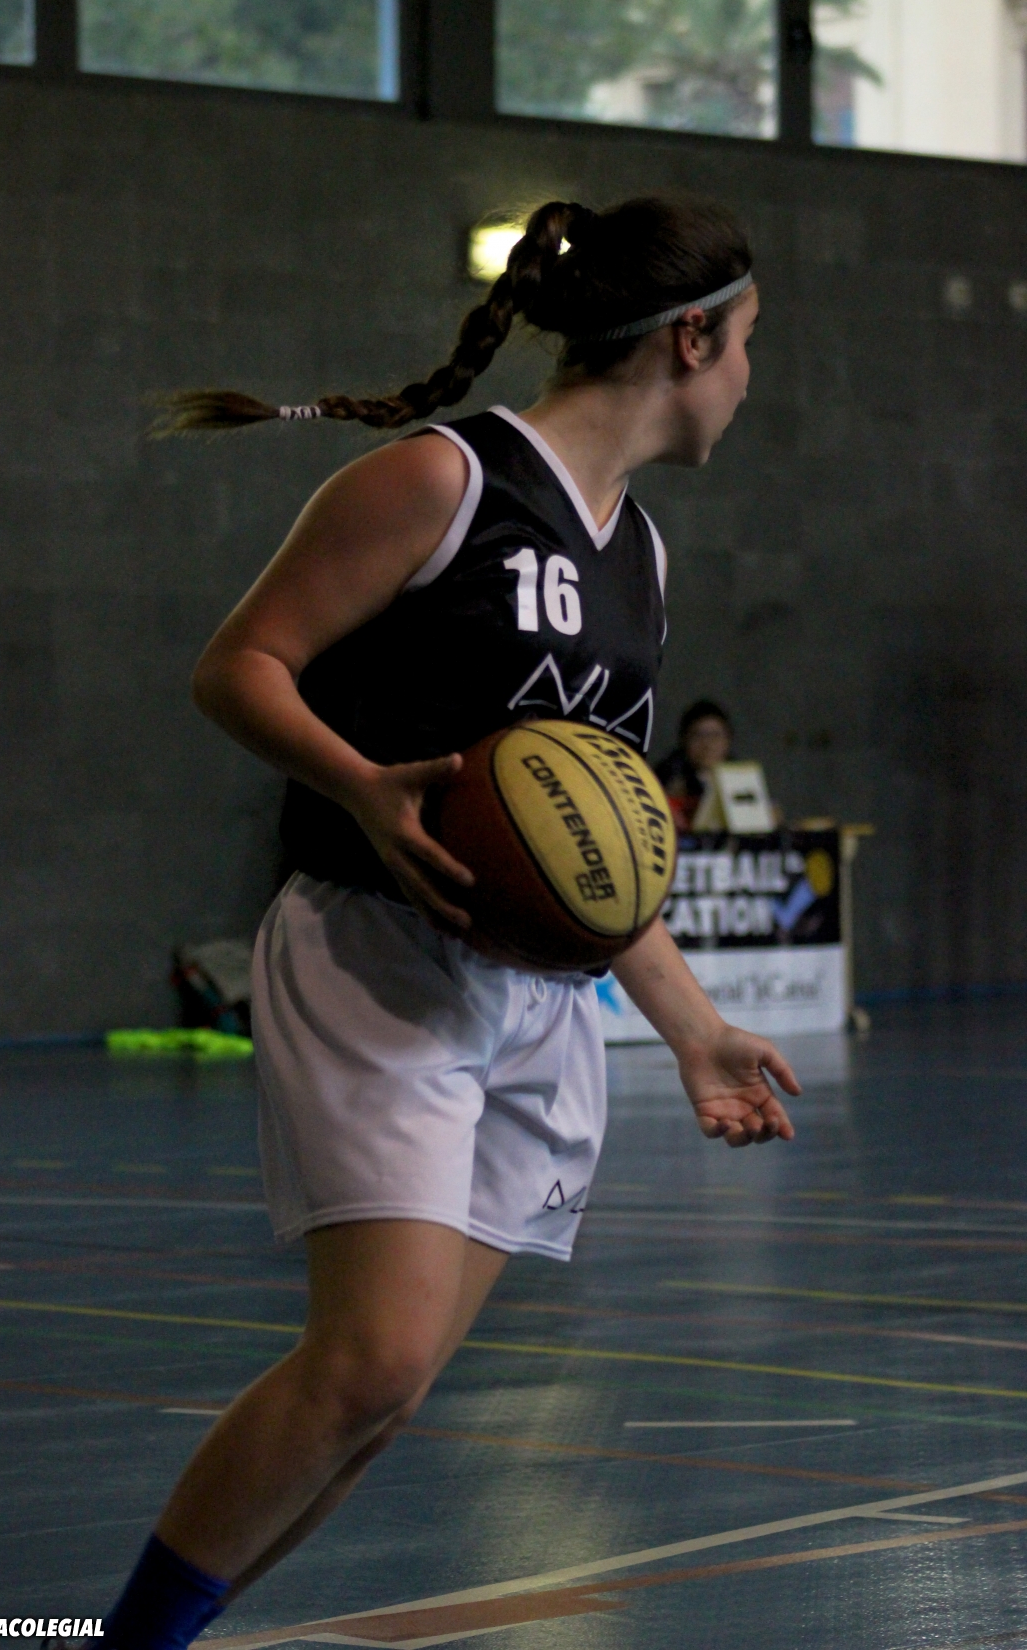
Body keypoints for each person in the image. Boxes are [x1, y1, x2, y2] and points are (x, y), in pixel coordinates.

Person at [98, 193, 801, 1650]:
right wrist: (359, 784)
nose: (750, 376)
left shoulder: (640, 556)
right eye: (748, 344)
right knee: (367, 1360)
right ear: (690, 339)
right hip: (382, 959)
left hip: (540, 1001)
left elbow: (587, 855)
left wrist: (694, 1030)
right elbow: (239, 666)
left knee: (388, 1395)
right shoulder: (441, 478)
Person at [655, 698, 733, 831]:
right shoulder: (668, 777)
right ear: (685, 740)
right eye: (699, 736)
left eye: (715, 735)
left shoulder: (739, 777)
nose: (707, 745)